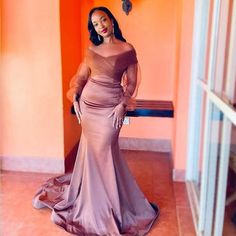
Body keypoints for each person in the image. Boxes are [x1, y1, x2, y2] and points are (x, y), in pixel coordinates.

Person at [32, 6, 159, 235]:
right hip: (89, 108)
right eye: (95, 23)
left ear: (111, 20)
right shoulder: (92, 49)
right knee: (92, 153)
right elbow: (81, 76)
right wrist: (76, 97)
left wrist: (122, 104)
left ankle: (111, 207)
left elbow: (131, 83)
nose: (101, 25)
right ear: (94, 28)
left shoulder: (127, 49)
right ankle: (92, 205)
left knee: (105, 152)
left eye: (103, 19)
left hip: (111, 108)